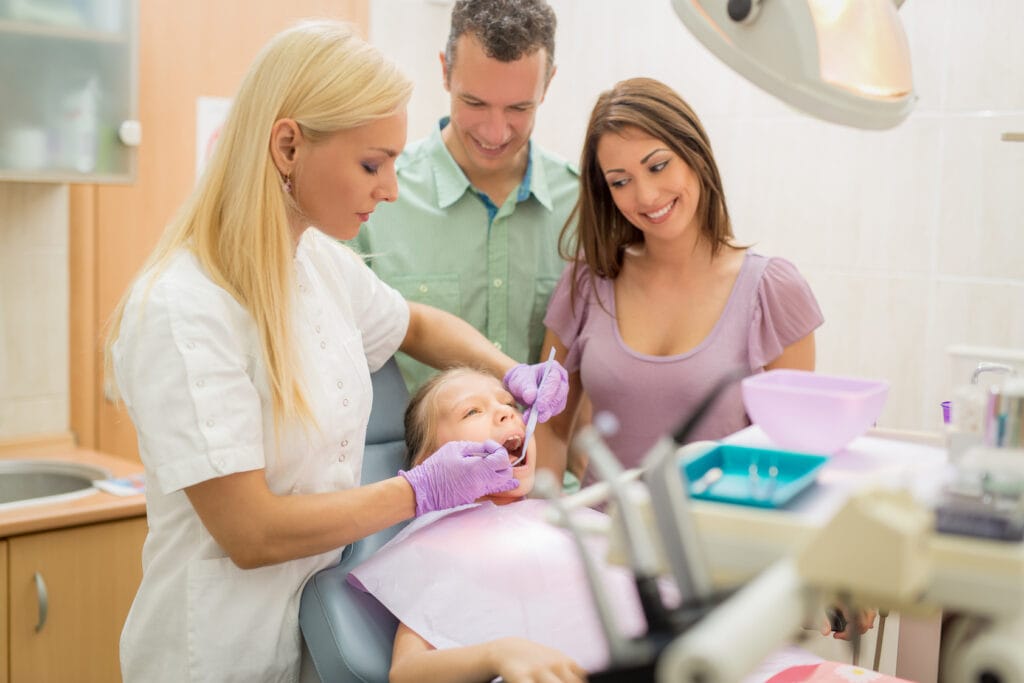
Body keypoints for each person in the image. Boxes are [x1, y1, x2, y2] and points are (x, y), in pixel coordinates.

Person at [104, 20, 567, 682]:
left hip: (310, 640)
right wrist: (420, 490)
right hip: (216, 654)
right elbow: (251, 531)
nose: (390, 189)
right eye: (372, 164)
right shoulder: (184, 309)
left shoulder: (319, 262)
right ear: (288, 145)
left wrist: (510, 370)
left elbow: (415, 325)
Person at [536, 77, 875, 641]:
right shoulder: (585, 284)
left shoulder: (771, 290)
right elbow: (547, 425)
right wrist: (542, 537)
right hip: (601, 568)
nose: (645, 196)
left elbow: (794, 458)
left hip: (725, 571)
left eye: (658, 165)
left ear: (694, 155)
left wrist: (825, 571)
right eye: (620, 181)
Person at [351, 369, 894, 682]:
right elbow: (407, 673)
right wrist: (500, 652)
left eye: (509, 404)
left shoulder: (568, 517)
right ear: (427, 461)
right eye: (472, 413)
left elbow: (673, 596)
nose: (504, 414)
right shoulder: (439, 543)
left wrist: (799, 603)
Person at [348, 0, 580, 395]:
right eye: (474, 103)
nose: (494, 132)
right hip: (404, 456)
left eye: (518, 108)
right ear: (444, 71)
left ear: (549, 84)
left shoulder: (581, 206)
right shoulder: (371, 199)